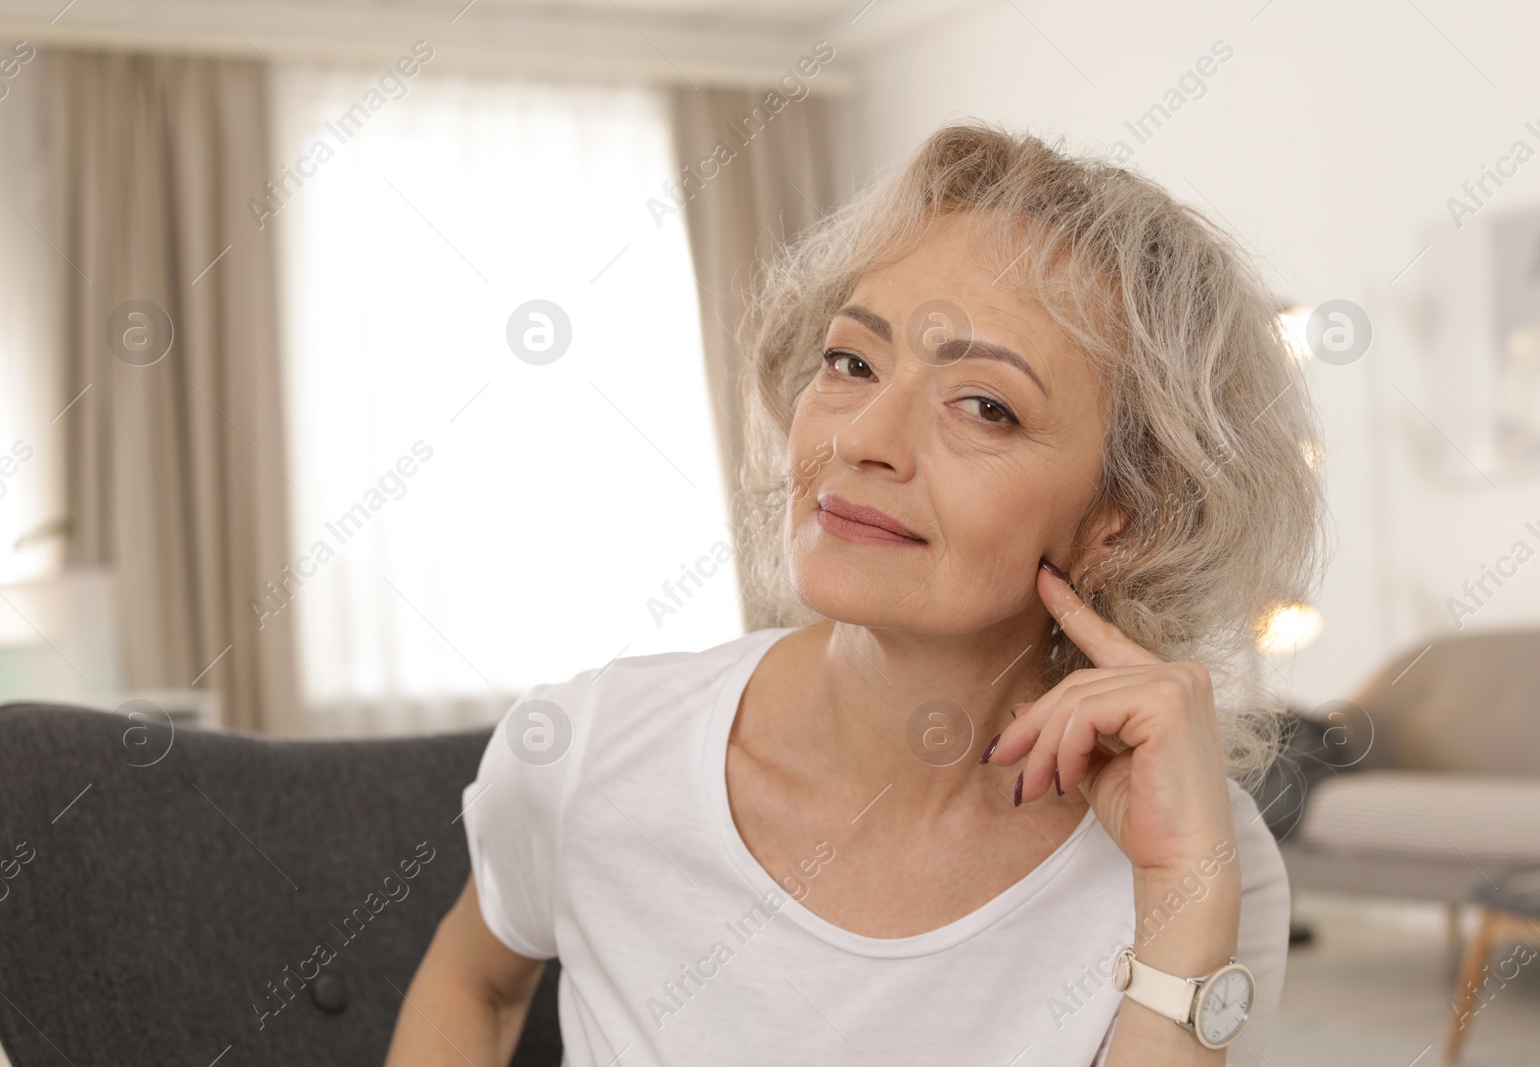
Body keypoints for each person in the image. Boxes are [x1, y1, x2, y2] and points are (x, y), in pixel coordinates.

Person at [385, 121, 1324, 1066]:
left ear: (1123, 516)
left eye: (985, 406)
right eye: (852, 362)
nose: (864, 436)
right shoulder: (586, 753)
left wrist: (1180, 893)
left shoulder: (1202, 856)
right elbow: (474, 984)